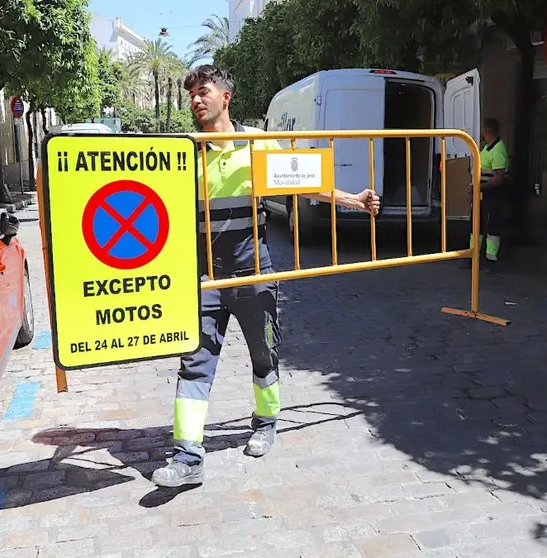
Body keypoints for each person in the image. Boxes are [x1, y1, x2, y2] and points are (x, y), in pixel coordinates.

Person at [151, 65, 381, 488]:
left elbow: (302, 183)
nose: (195, 100)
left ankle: (266, 421)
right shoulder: (185, 151)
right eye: (191, 94)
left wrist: (351, 199)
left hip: (253, 271)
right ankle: (187, 455)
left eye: (203, 92)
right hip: (205, 278)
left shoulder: (256, 144)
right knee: (195, 362)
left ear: (225, 97)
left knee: (264, 354)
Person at [462, 117, 510, 273]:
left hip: (493, 194)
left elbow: (497, 179)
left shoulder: (498, 150)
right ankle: (473, 257)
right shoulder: (488, 148)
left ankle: (491, 260)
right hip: (483, 193)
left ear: (485, 131)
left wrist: (478, 188)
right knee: (476, 225)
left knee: (492, 227)